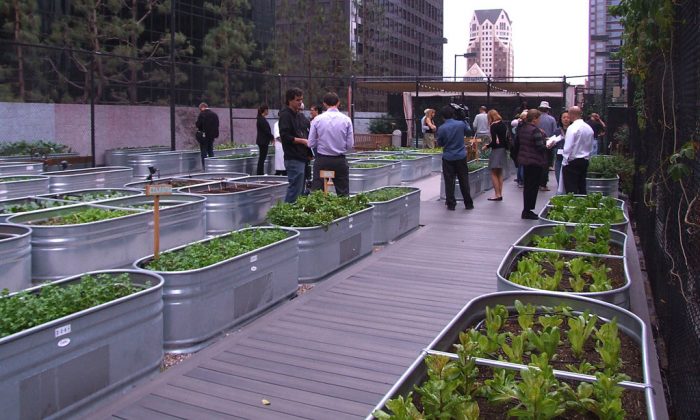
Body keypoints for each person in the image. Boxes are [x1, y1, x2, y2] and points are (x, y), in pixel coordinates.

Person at [308, 92, 354, 196]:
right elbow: (350, 144)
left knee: (318, 194)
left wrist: (319, 143)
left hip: (322, 161)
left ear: (324, 104)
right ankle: (344, 212)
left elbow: (311, 143)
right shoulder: (346, 120)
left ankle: (318, 211)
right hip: (339, 160)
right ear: (338, 103)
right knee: (343, 194)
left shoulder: (317, 119)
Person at [436, 104, 474, 211]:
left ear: (443, 116)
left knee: (449, 181)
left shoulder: (442, 128)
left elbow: (440, 143)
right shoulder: (460, 124)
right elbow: (469, 131)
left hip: (448, 157)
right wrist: (464, 119)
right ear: (453, 114)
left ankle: (451, 204)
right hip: (461, 156)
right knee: (464, 180)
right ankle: (468, 203)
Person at [279, 87, 311, 203]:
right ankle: (287, 213)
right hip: (293, 158)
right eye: (298, 100)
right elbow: (285, 137)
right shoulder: (285, 115)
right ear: (289, 100)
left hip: (301, 157)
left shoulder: (298, 115)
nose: (300, 102)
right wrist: (303, 141)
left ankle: (296, 213)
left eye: (301, 100)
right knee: (295, 189)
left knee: (300, 190)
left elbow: (307, 129)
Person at [516, 109, 548, 220]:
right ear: (534, 119)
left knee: (528, 186)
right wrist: (548, 145)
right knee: (533, 187)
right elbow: (540, 147)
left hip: (525, 160)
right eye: (538, 118)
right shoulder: (535, 130)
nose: (539, 121)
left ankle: (526, 209)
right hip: (535, 161)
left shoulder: (523, 128)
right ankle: (528, 210)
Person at [562, 106, 595, 194]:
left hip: (572, 161)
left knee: (571, 188)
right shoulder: (589, 128)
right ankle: (583, 204)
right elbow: (590, 146)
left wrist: (565, 161)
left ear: (571, 114)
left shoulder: (572, 128)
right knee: (582, 186)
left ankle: (572, 206)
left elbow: (567, 147)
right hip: (584, 160)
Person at [482, 109, 509, 201]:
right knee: (499, 172)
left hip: (496, 150)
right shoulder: (503, 124)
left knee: (493, 172)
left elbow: (494, 141)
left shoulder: (493, 126)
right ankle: (500, 193)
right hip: (503, 150)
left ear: (490, 117)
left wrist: (487, 146)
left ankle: (497, 194)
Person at [536, 101, 558, 192]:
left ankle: (537, 183)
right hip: (548, 144)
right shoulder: (552, 119)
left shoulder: (536, 119)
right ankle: (543, 184)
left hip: (537, 143)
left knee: (537, 163)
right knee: (546, 165)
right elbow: (555, 132)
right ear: (548, 109)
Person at [195, 102, 219, 167]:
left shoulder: (202, 114)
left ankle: (205, 166)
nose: (200, 110)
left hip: (204, 135)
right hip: (212, 136)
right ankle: (213, 165)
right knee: (210, 150)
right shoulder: (214, 114)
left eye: (200, 109)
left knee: (204, 150)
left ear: (202, 107)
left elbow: (198, 125)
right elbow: (217, 125)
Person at [553, 111, 571, 189]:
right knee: (559, 180)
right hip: (559, 158)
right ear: (561, 119)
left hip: (570, 159)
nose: (566, 119)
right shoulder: (557, 131)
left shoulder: (572, 130)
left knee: (568, 181)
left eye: (568, 117)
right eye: (564, 117)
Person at [255, 105, 274, 175]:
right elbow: (266, 131)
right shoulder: (261, 120)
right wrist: (272, 137)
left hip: (262, 141)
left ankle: (260, 172)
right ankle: (260, 173)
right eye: (267, 110)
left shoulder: (261, 119)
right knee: (262, 158)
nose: (268, 111)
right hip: (263, 141)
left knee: (262, 158)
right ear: (265, 110)